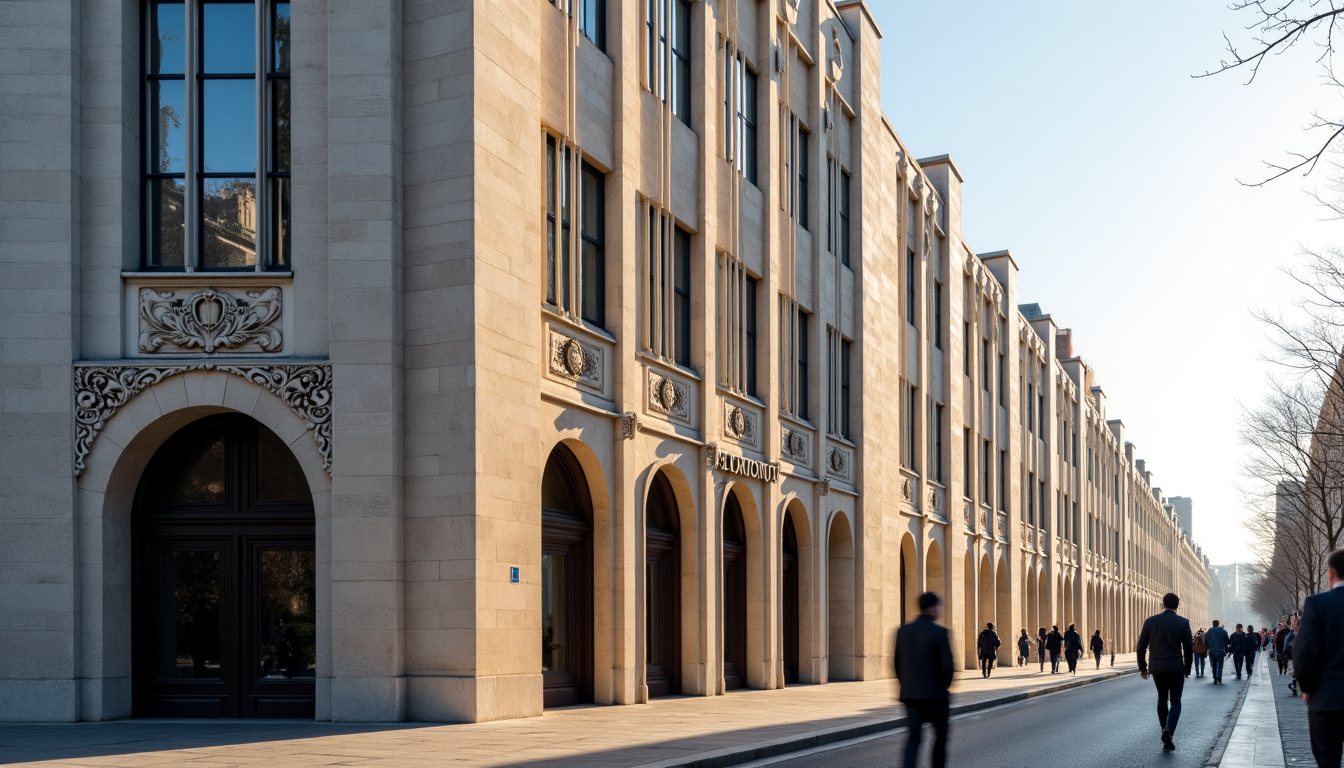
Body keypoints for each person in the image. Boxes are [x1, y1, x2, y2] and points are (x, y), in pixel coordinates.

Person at [1291, 548, 1344, 768]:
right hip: (1325, 696)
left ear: (1330, 574)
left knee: (1327, 759)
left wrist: (1307, 687)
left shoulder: (1317, 604)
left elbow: (1304, 650)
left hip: (1326, 697)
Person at [895, 591, 955, 768]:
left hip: (911, 695)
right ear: (933, 608)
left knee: (913, 739)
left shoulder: (903, 632)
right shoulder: (940, 632)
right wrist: (944, 687)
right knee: (940, 738)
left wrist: (906, 685)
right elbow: (948, 666)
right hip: (936, 696)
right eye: (938, 606)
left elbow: (897, 664)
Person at [1137, 592, 1194, 752]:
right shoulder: (1183, 622)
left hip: (1157, 667)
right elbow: (1188, 648)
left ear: (1163, 604)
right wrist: (1187, 668)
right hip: (1175, 666)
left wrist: (1142, 667)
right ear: (1178, 605)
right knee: (1176, 701)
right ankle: (1169, 730)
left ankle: (1164, 729)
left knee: (1162, 698)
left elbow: (1141, 646)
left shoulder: (1150, 621)